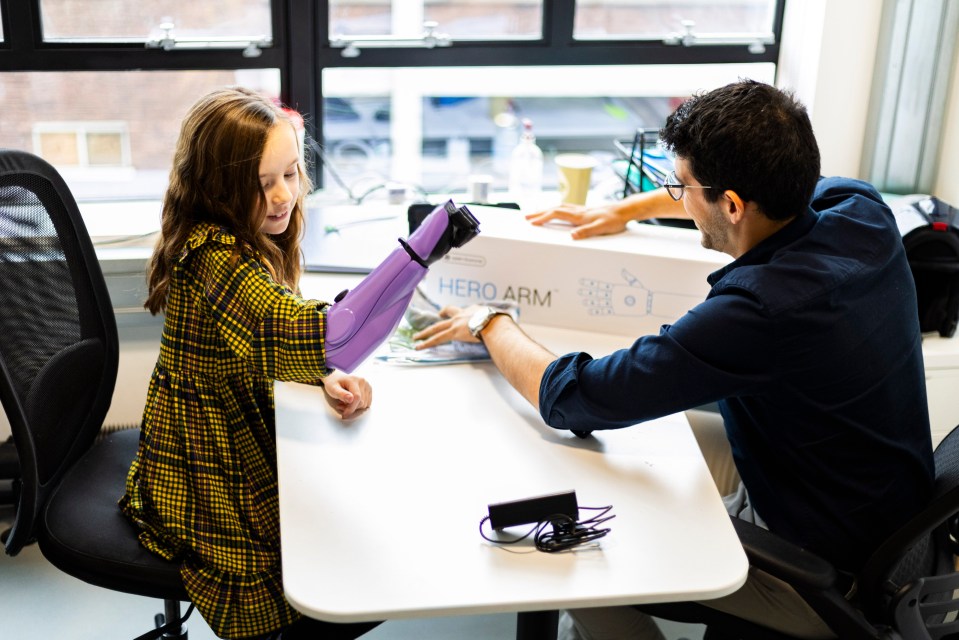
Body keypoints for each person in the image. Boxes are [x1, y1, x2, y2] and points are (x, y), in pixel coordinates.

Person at [413, 80, 935, 639]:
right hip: (885, 519)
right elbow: (750, 193)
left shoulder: (758, 312)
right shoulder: (859, 210)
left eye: (680, 186)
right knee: (630, 451)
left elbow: (573, 397)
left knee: (563, 544)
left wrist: (489, 320)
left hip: (830, 576)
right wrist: (629, 208)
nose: (675, 195)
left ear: (731, 204)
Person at [119, 87, 379, 640]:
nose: (284, 195)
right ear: (221, 187)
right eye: (264, 183)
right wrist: (399, 280)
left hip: (231, 423)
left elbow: (265, 330)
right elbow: (279, 325)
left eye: (290, 173)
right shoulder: (214, 258)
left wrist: (324, 372)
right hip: (201, 463)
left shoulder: (245, 237)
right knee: (325, 568)